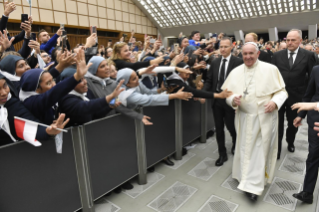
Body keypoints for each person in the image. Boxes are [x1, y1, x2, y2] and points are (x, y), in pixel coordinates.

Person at [222, 42, 288, 201]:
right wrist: (232, 100)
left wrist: (275, 102)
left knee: (259, 151)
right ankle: (243, 177)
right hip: (244, 118)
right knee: (244, 148)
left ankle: (253, 187)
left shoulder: (270, 69)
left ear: (258, 54)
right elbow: (227, 94)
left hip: (264, 117)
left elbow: (282, 92)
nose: (248, 57)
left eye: (251, 53)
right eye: (245, 54)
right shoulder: (236, 71)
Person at [271, 29, 317, 159]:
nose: (289, 43)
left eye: (293, 40)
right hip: (279, 97)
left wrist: (308, 99)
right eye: (287, 40)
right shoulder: (277, 56)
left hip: (297, 97)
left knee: (293, 124)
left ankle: (290, 141)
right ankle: (277, 149)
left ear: (300, 41)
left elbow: (312, 79)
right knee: (277, 124)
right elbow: (271, 76)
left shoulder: (308, 55)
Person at [203, 37, 243, 166]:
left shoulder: (238, 62)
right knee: (219, 129)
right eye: (221, 47)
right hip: (217, 100)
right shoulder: (215, 62)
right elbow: (209, 80)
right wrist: (204, 93)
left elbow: (242, 82)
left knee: (232, 127)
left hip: (230, 100)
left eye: (226, 46)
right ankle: (222, 154)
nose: (223, 49)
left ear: (231, 47)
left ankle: (235, 144)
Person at [19, 49, 88, 125]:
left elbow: (47, 77)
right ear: (37, 89)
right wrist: (77, 76)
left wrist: (61, 66)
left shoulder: (34, 89)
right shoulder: (32, 103)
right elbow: (54, 92)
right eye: (49, 83)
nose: (54, 85)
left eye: (53, 80)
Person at [0, 73, 69, 146]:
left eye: (5, 86)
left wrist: (48, 131)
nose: (4, 93)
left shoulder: (12, 105)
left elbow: (32, 126)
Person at [85, 56, 152, 125]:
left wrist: (138, 116)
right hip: (96, 126)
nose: (107, 68)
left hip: (114, 123)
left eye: (107, 64)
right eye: (102, 66)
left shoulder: (112, 84)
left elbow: (118, 106)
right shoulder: (87, 84)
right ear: (94, 70)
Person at [290, 65, 319, 204]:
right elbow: (309, 94)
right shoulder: (316, 70)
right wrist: (301, 115)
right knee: (313, 154)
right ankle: (307, 192)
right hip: (316, 120)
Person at [58, 67, 124, 127]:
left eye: (84, 78)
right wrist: (109, 97)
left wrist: (109, 107)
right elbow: (86, 107)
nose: (85, 82)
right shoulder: (66, 99)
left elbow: (95, 114)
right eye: (80, 80)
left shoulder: (86, 93)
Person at [116, 68, 194, 109]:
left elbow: (149, 92)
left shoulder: (137, 84)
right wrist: (175, 95)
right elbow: (149, 99)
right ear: (127, 83)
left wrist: (161, 90)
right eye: (134, 79)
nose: (137, 79)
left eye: (136, 76)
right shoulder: (126, 95)